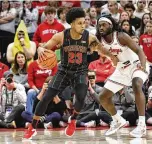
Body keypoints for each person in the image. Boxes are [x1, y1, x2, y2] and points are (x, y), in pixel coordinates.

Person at [22, 8, 118, 140]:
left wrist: (112, 57)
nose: (83, 25)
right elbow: (44, 47)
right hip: (64, 70)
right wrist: (39, 48)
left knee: (81, 96)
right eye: (80, 23)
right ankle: (32, 127)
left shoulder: (89, 37)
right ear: (72, 23)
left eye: (84, 22)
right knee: (46, 97)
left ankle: (73, 120)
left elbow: (102, 50)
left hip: (80, 71)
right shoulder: (60, 36)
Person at [96, 15, 148, 138]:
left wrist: (143, 66)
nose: (101, 27)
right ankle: (118, 120)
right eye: (99, 25)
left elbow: (139, 51)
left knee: (136, 85)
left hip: (136, 65)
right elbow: (99, 50)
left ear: (111, 25)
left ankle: (141, 125)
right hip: (121, 70)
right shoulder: (99, 40)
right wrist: (111, 56)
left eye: (104, 24)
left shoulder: (120, 36)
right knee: (103, 97)